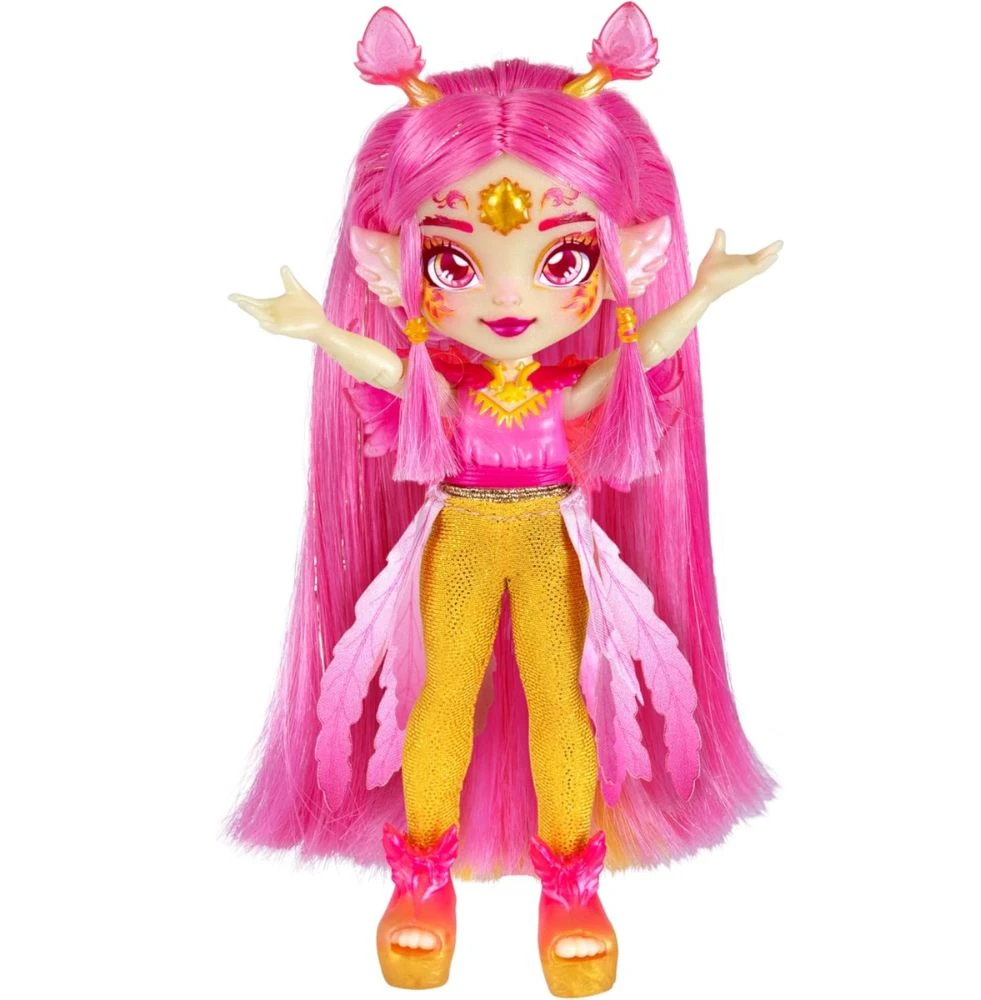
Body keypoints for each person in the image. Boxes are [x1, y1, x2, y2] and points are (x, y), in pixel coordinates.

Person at [228, 5, 780, 996]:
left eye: (561, 260)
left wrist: (700, 296)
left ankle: (571, 881)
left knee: (561, 699)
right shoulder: (447, 391)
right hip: (460, 536)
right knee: (442, 695)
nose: (511, 296)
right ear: (401, 265)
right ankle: (421, 873)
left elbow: (633, 361)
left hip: (550, 536)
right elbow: (387, 370)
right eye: (455, 262)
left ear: (620, 256)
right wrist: (317, 329)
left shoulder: (563, 389)